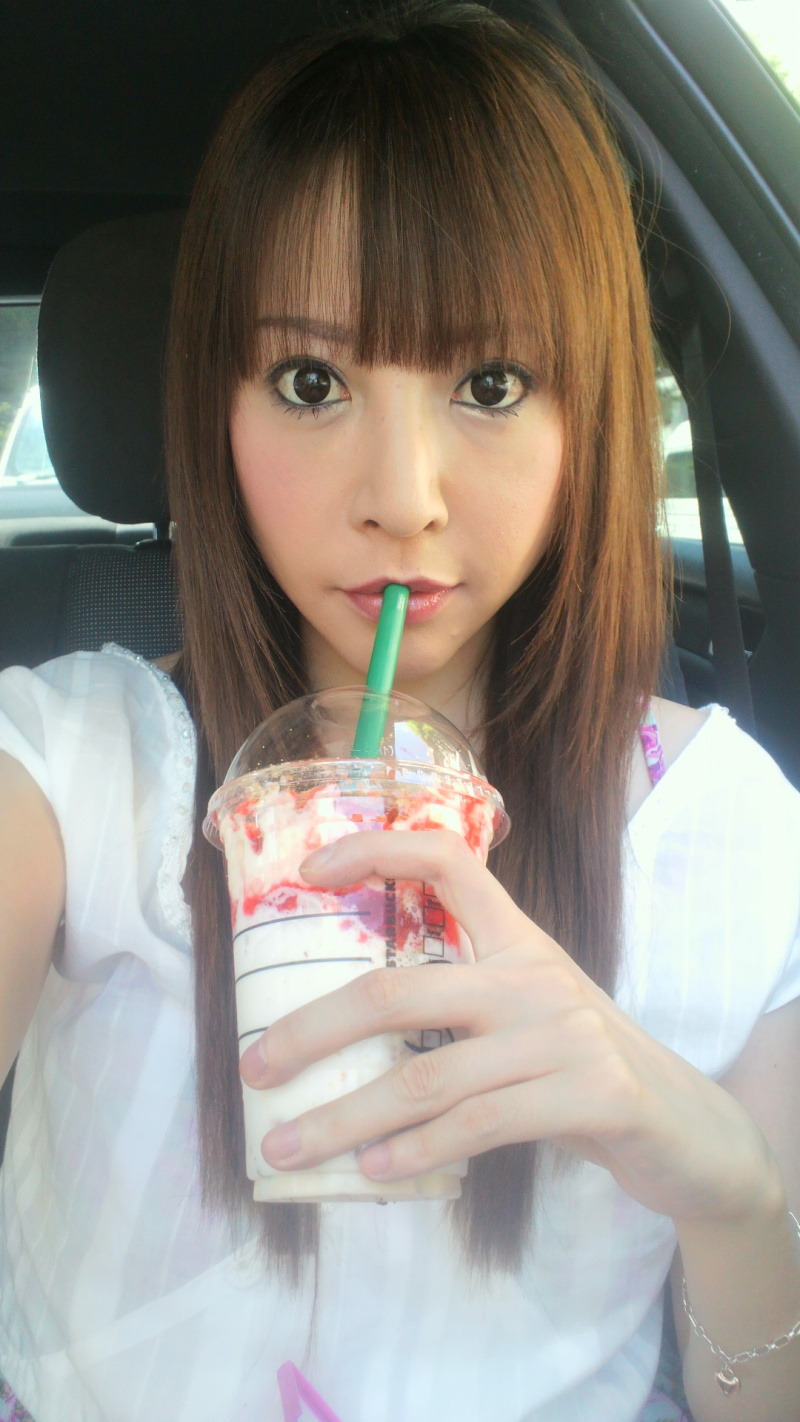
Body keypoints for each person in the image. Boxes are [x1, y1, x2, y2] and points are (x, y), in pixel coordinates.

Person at [1, 4, 799, 1420]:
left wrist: (729, 1187)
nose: (404, 496)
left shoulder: (732, 840)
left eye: (491, 383)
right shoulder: (81, 768)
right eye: (312, 382)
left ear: (588, 415)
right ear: (216, 408)